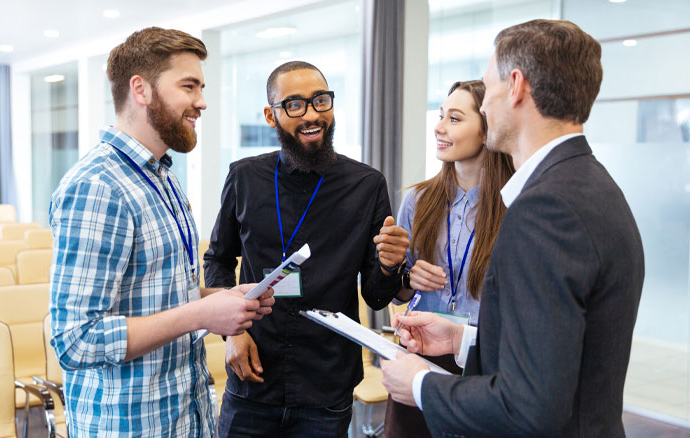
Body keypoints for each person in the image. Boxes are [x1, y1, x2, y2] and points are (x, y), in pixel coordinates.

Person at [380, 19, 645, 437]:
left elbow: (530, 406)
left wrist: (420, 383)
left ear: (516, 85)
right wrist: (462, 339)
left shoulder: (545, 208)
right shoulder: (590, 184)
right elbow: (555, 355)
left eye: (490, 88)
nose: (484, 107)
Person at [48, 27, 274, 437]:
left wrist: (220, 298)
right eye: (189, 86)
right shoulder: (98, 186)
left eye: (201, 87)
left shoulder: (162, 178)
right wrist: (200, 314)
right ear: (141, 89)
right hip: (128, 425)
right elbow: (75, 340)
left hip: (184, 415)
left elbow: (157, 295)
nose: (201, 102)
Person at [203, 61, 402, 438]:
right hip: (252, 375)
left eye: (320, 100)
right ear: (271, 115)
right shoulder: (245, 176)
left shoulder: (367, 185)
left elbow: (376, 297)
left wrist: (391, 266)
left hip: (325, 384)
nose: (312, 115)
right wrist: (233, 332)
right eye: (294, 105)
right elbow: (218, 259)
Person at [374, 80, 514, 438]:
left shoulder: (515, 207)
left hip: (484, 363)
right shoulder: (418, 201)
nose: (439, 127)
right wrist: (406, 278)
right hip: (421, 354)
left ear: (487, 130)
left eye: (454, 118)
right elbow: (397, 294)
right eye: (440, 116)